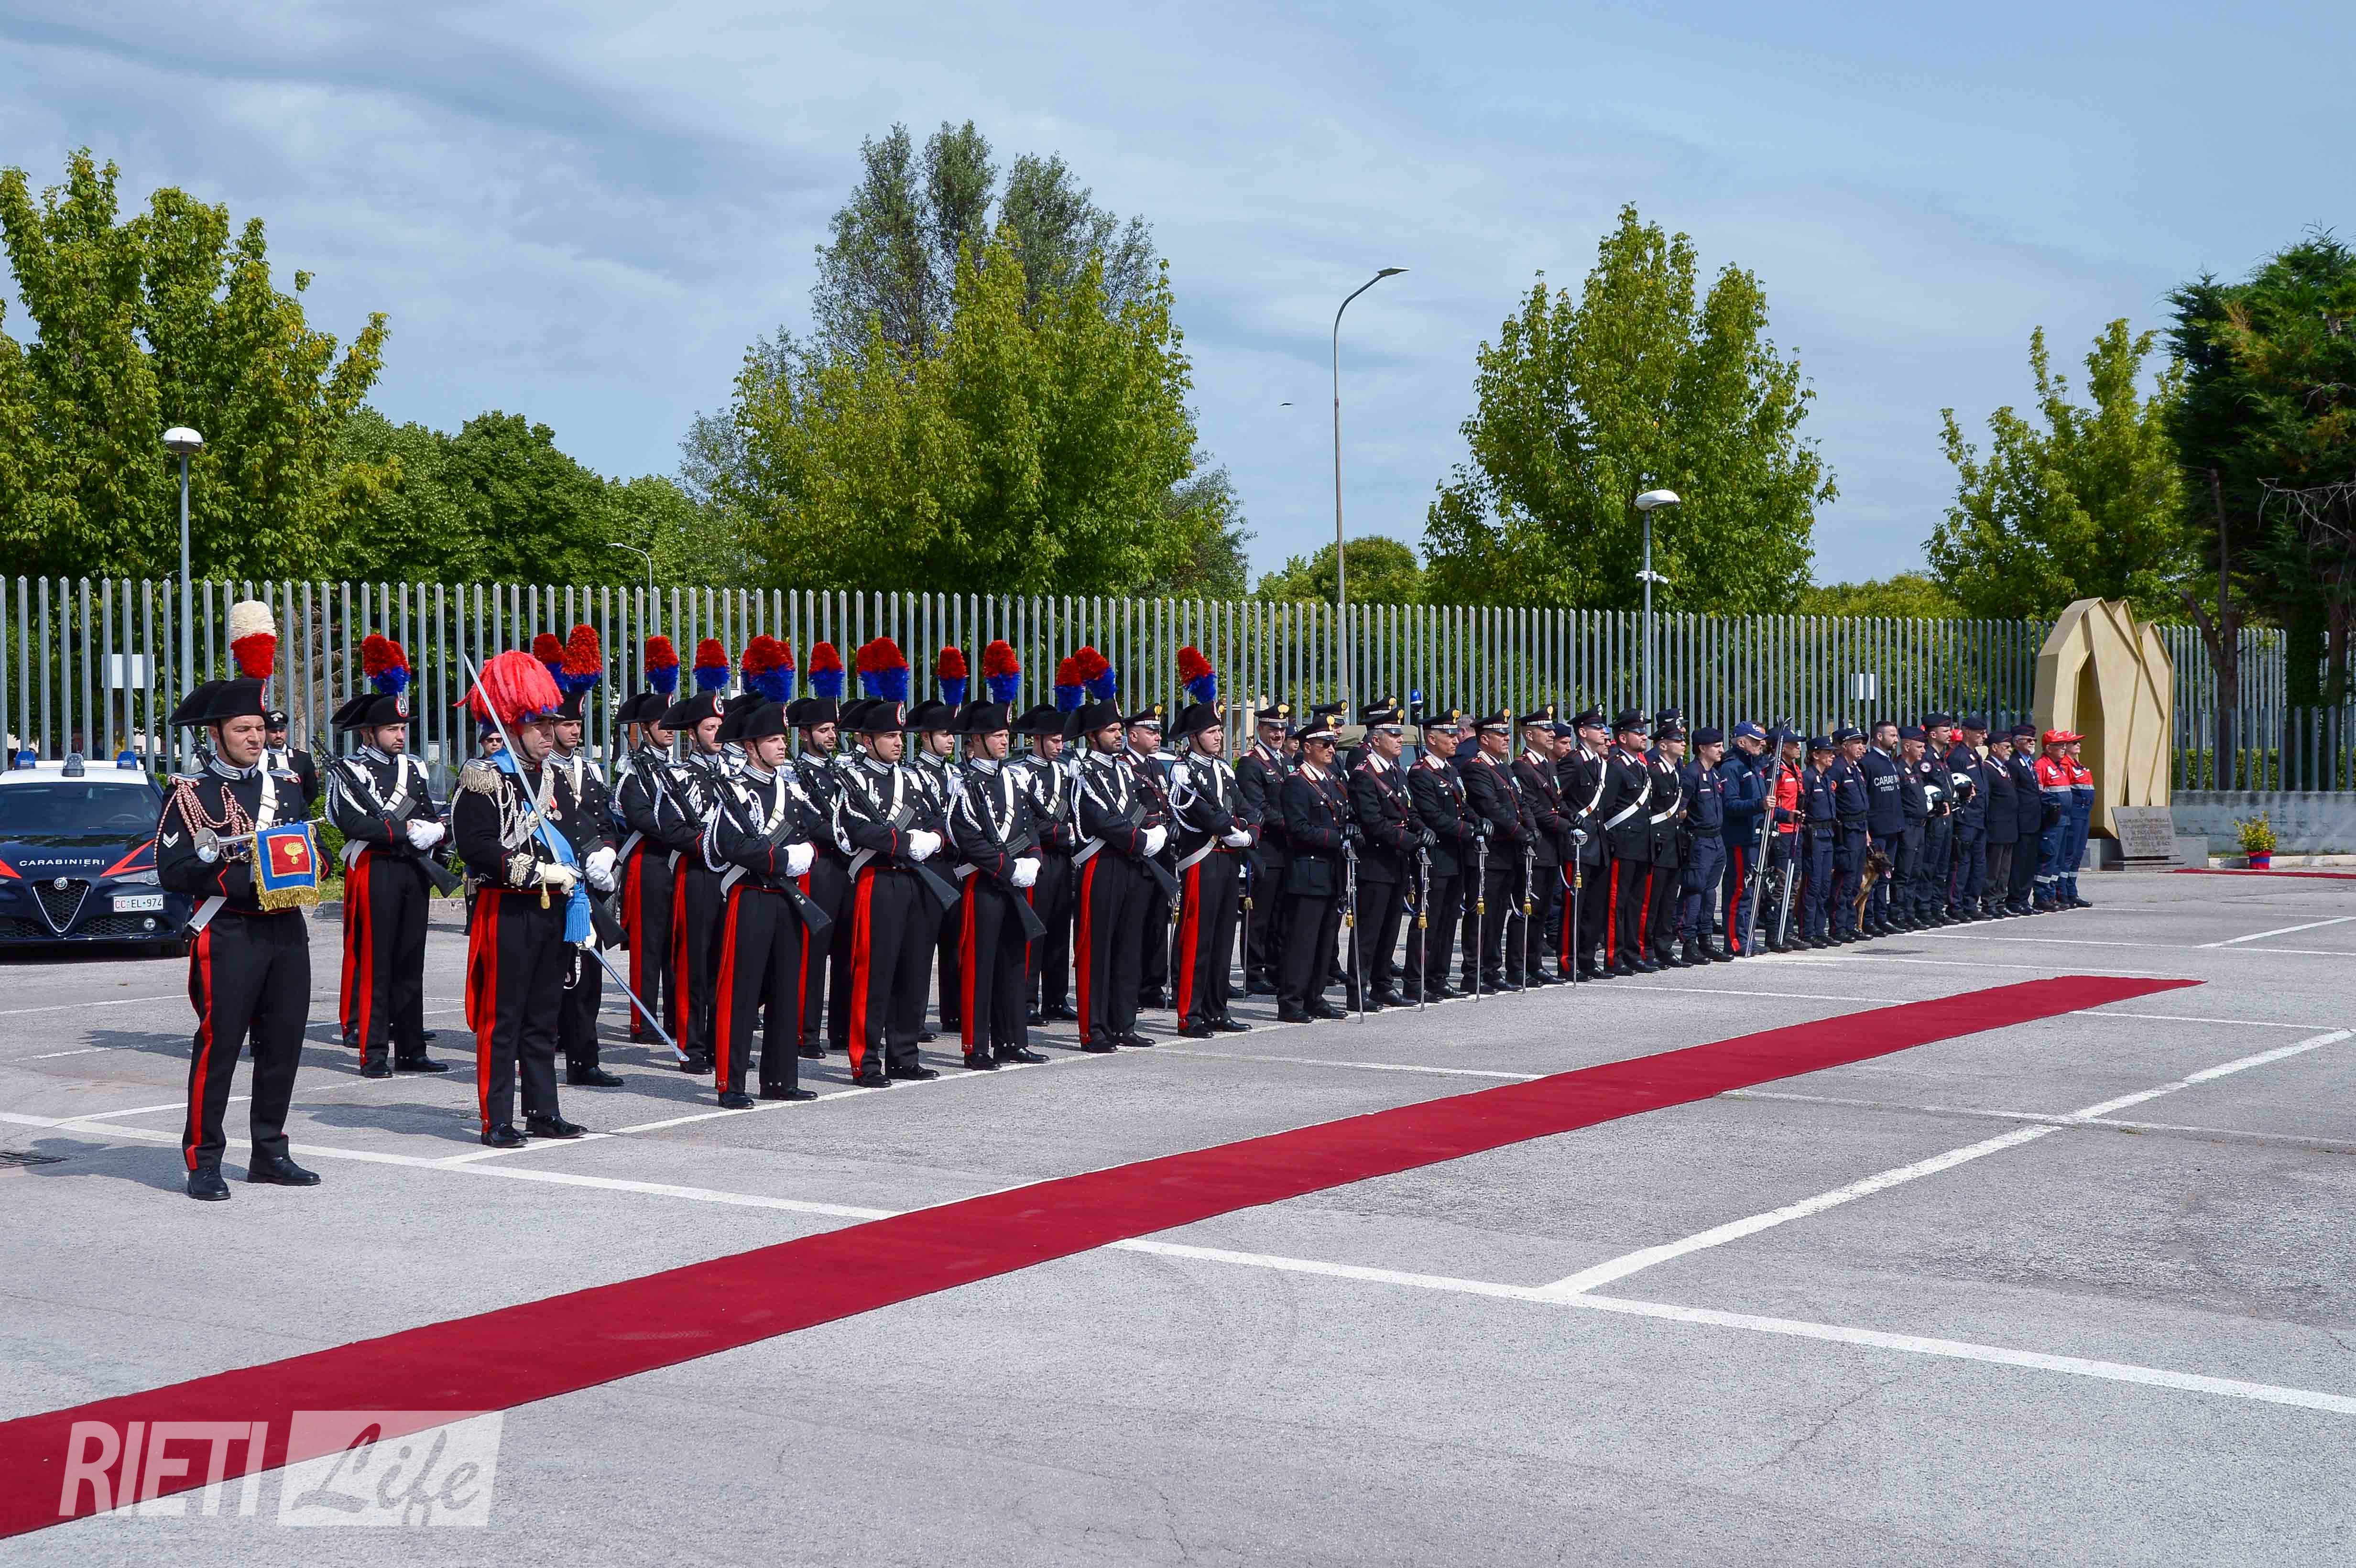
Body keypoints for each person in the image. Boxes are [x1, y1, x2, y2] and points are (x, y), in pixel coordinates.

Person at [156, 669, 319, 1201]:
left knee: (283, 1045)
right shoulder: (192, 793)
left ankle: (269, 1152)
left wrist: (304, 870)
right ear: (216, 734)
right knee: (219, 1046)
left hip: (286, 928)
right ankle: (204, 1160)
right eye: (243, 729)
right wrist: (248, 880)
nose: (255, 738)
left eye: (259, 728)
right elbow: (173, 868)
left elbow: (307, 848)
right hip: (229, 930)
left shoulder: (286, 787)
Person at [451, 650, 598, 1148]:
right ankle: (496, 1118)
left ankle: (543, 1111)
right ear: (512, 724)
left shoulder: (550, 776)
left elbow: (569, 834)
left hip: (553, 908)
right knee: (503, 1018)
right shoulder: (484, 775)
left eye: (550, 723)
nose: (547, 732)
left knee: (543, 1016)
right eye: (537, 724)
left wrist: (578, 891)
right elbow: (475, 846)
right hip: (507, 908)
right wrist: (535, 871)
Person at [323, 636, 448, 1079]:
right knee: (376, 964)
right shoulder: (350, 770)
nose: (400, 735)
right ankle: (374, 1052)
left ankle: (412, 1049)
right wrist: (405, 831)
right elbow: (349, 822)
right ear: (368, 733)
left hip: (413, 869)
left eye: (402, 728)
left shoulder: (414, 767)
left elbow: (430, 811)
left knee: (411, 960)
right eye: (392, 729)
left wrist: (436, 831)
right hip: (376, 869)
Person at [703, 697, 824, 1106]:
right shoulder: (735, 791)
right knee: (741, 993)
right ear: (751, 746)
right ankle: (731, 1083)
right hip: (750, 897)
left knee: (787, 991)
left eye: (782, 739)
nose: (782, 746)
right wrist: (784, 858)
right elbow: (730, 845)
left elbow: (814, 832)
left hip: (787, 899)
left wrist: (807, 853)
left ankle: (780, 1079)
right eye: (773, 740)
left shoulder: (791, 790)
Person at [832, 696, 949, 1085]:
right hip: (879, 880)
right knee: (874, 973)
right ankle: (865, 1061)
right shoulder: (854, 779)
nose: (898, 743)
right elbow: (856, 827)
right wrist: (905, 842)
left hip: (916, 879)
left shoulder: (913, 779)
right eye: (889, 736)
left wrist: (933, 839)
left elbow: (939, 817)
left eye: (900, 736)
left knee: (914, 970)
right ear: (867, 741)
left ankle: (904, 1056)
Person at [944, 698, 1049, 1068]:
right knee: (980, 964)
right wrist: (1008, 869)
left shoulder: (1014, 779)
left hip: (1016, 880)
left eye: (1006, 735)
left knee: (1013, 963)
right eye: (997, 735)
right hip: (984, 884)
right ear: (977, 739)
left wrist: (1034, 859)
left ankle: (1013, 1041)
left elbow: (1030, 826)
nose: (1005, 741)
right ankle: (976, 1046)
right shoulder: (962, 784)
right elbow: (966, 836)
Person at [548, 647, 624, 1089]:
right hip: (553, 883)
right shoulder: (537, 771)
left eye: (577, 723)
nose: (574, 730)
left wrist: (608, 853)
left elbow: (606, 822)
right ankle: (539, 1059)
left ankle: (584, 1060)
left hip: (588, 886)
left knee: (588, 977)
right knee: (551, 978)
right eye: (566, 723)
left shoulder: (589, 770)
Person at [1071, 697, 1166, 1048]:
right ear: (1092, 735)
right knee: (1097, 949)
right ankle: (1093, 1028)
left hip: (1131, 864)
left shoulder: (1125, 771)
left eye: (1118, 730)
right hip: (1102, 863)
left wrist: (1154, 831)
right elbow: (1100, 819)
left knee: (1129, 947)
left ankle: (1124, 1023)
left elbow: (1139, 809)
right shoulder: (1083, 771)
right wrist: (1142, 840)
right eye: (1111, 730)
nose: (1118, 736)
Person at [1167, 692, 1254, 1037]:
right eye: (1212, 732)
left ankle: (1218, 1009)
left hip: (1229, 860)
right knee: (1197, 939)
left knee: (1222, 938)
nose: (1219, 737)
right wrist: (1232, 830)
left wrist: (1249, 833)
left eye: (1219, 731)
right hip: (1202, 860)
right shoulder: (1182, 770)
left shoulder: (1223, 768)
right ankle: (1190, 1014)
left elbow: (1247, 808)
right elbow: (1202, 814)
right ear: (1194, 737)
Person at [656, 684, 731, 1073]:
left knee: (726, 962)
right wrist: (712, 844)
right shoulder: (679, 776)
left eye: (720, 726)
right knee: (694, 962)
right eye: (709, 728)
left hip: (733, 875)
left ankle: (722, 1042)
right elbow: (671, 828)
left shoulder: (736, 773)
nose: (717, 734)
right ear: (692, 733)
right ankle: (692, 1045)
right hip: (698, 872)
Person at [611, 675, 684, 1049]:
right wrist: (684, 833)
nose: (669, 730)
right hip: (649, 863)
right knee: (648, 945)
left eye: (671, 723)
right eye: (660, 723)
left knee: (676, 944)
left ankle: (675, 1018)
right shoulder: (632, 772)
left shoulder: (678, 768)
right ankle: (643, 1020)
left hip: (677, 863)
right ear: (644, 729)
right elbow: (642, 818)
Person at [1276, 710, 1351, 1021]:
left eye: (1333, 744)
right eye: (1324, 744)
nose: (1331, 749)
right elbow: (1299, 829)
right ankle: (1291, 1001)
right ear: (1307, 747)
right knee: (1302, 941)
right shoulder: (1297, 783)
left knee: (1325, 940)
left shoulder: (1332, 781)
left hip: (1332, 872)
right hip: (1308, 871)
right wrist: (1337, 837)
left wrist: (1351, 830)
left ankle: (1315, 996)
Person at [1344, 700, 1417, 1009]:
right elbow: (1372, 822)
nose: (1400, 740)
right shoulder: (1365, 774)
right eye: (1393, 735)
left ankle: (1382, 983)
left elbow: (1408, 811)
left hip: (1397, 861)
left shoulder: (1397, 772)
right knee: (1369, 930)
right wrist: (1409, 839)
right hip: (1375, 861)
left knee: (1390, 928)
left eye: (1400, 735)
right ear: (1376, 740)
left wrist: (1420, 831)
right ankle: (1357, 988)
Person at [788, 690, 848, 1056]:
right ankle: (805, 1033)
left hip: (846, 866)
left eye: (833, 730)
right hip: (820, 866)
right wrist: (846, 833)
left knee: (847, 951)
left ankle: (841, 1029)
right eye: (824, 730)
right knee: (813, 954)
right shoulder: (796, 774)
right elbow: (808, 822)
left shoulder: (841, 770)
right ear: (805, 734)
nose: (831, 736)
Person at [1011, 704, 1078, 1025]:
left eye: (1061, 740)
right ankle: (1026, 999)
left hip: (1063, 858)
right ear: (1036, 740)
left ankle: (1056, 997)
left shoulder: (1064, 772)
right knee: (1034, 930)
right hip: (1038, 857)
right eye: (1053, 740)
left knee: (1059, 928)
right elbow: (1026, 822)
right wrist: (1062, 832)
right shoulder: (1022, 774)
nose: (1059, 745)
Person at [1458, 709, 1532, 990]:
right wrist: (1521, 832)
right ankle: (1474, 972)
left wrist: (1531, 827)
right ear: (1484, 739)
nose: (1506, 738)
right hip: (1490, 852)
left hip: (1508, 852)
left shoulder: (1504, 767)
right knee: (1482, 914)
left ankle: (1492, 968)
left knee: (1499, 913)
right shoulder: (1476, 768)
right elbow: (1492, 808)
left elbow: (1520, 802)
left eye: (1506, 734)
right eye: (1500, 734)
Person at [1405, 709, 1474, 1001]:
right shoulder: (1421, 773)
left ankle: (1438, 976)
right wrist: (1467, 829)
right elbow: (1432, 815)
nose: (1456, 739)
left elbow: (1463, 806)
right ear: (1432, 739)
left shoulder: (1451, 771)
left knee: (1448, 920)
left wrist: (1477, 821)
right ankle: (1416, 979)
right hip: (1436, 856)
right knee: (1428, 921)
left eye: (1456, 734)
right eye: (1448, 735)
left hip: (1455, 855)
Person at [1233, 699, 1294, 997]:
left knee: (1281, 913)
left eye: (1282, 729)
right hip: (1266, 847)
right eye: (1272, 729)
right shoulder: (1251, 763)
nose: (1278, 734)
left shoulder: (1286, 761)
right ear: (1260, 729)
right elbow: (1258, 808)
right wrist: (1295, 824)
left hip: (1287, 848)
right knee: (1259, 914)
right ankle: (1254, 971)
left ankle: (1275, 967)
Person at [1510, 706, 1570, 986]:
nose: (1551, 734)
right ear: (1529, 735)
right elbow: (1533, 808)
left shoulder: (1548, 765)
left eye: (1551, 730)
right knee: (1527, 910)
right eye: (1545, 730)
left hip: (1551, 847)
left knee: (1542, 910)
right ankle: (1518, 966)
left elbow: (1557, 800)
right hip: (1536, 845)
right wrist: (1563, 824)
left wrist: (1570, 816)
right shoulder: (1522, 767)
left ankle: (1534, 964)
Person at [1125, 705, 1179, 1011]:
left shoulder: (1156, 766)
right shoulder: (1125, 766)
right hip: (1140, 855)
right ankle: (1131, 987)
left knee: (1159, 922)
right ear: (1133, 736)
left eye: (1158, 732)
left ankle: (1152, 985)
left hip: (1162, 855)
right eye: (1151, 732)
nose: (1158, 737)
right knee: (1136, 925)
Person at [1595, 710, 1654, 976]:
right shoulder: (1616, 766)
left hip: (1641, 843)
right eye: (1638, 732)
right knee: (1616, 904)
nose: (1644, 736)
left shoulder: (1640, 766)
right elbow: (1607, 808)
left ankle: (1632, 952)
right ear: (1622, 737)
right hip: (1623, 843)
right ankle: (1613, 955)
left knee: (1635, 903)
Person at [1677, 727, 1730, 964]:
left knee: (1710, 893)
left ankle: (1705, 939)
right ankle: (1688, 941)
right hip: (1699, 840)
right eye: (1716, 746)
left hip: (1716, 839)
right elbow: (1680, 809)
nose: (1721, 750)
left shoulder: (1714, 774)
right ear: (1702, 748)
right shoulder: (1691, 774)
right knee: (1695, 891)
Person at [1717, 721, 1768, 957]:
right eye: (1755, 741)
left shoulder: (1754, 766)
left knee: (1750, 891)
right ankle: (1735, 941)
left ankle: (1747, 937)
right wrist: (1759, 805)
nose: (1761, 745)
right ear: (1742, 742)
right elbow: (1730, 805)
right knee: (1739, 890)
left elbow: (1762, 804)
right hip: (1739, 838)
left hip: (1754, 837)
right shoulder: (1732, 768)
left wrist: (1785, 814)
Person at [1643, 715, 1689, 967]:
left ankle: (1664, 946)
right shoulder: (1654, 771)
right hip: (1658, 844)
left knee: (1669, 900)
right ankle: (1648, 948)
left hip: (1673, 843)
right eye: (1677, 740)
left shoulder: (1674, 773)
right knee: (1654, 900)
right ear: (1663, 745)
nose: (1683, 743)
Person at [1857, 720, 1905, 936]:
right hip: (1877, 829)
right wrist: (1866, 829)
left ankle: (1881, 917)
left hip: (1893, 827)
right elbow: (1865, 798)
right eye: (1892, 735)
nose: (1896, 740)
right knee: (1873, 878)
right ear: (1879, 736)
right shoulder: (1868, 762)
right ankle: (1868, 920)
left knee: (1886, 876)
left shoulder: (1890, 760)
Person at [1944, 715, 1989, 921]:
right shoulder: (1958, 757)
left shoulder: (1974, 755)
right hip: (1966, 817)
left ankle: (1971, 904)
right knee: (1961, 864)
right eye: (1980, 733)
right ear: (1967, 732)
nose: (1984, 737)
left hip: (1979, 817)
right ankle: (1956, 905)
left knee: (1978, 864)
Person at [1830, 727, 1871, 941]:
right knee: (1845, 880)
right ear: (1845, 746)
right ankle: (1838, 926)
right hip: (1846, 830)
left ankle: (1850, 924)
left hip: (1860, 829)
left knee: (1855, 881)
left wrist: (1866, 831)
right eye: (1857, 743)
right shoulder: (1837, 769)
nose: (1862, 747)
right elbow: (1832, 801)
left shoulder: (1855, 768)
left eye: (1862, 743)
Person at [1799, 736, 1840, 947]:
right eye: (1828, 753)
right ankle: (1808, 931)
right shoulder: (1807, 778)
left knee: (1825, 886)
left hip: (1827, 834)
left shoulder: (1826, 778)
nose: (1832, 756)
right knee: (1813, 885)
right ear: (1815, 755)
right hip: (1814, 835)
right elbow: (1802, 806)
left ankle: (1819, 929)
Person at [1893, 725, 1931, 933]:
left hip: (1920, 827)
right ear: (1907, 746)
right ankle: (1897, 913)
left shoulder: (1915, 770)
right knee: (1904, 873)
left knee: (1915, 871)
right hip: (1907, 826)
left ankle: (1909, 912)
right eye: (1919, 747)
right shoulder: (1898, 769)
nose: (1923, 751)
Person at [2034, 728, 2074, 911]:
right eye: (2060, 745)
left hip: (2064, 820)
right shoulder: (2042, 766)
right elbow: (2039, 794)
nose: (2064, 748)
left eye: (2065, 745)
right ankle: (2041, 897)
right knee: (2048, 858)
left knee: (2058, 860)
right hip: (2052, 821)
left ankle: (2051, 895)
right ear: (2049, 748)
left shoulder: (2059, 767)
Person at [1980, 728, 2018, 918]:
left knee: (2004, 868)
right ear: (1994, 748)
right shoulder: (1988, 769)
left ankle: (2001, 899)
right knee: (1993, 868)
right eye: (2006, 747)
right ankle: (1990, 902)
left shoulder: (2003, 768)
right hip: (1996, 826)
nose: (2009, 750)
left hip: (2009, 826)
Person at [2005, 722, 2042, 914]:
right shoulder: (2013, 763)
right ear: (2017, 742)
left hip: (2034, 820)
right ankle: (2015, 899)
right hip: (2022, 820)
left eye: (2034, 740)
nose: (2032, 743)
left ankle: (2024, 899)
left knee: (2029, 862)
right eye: (2028, 740)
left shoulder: (2029, 763)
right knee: (2019, 863)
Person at [262, 708, 319, 813]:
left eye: (282, 731)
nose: (278, 735)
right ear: (265, 732)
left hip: (295, 815)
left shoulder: (302, 758)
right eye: (273, 732)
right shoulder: (259, 757)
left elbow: (312, 791)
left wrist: (297, 809)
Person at [2063, 736, 2095, 907]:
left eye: (2079, 743)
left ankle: (2072, 891)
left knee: (2078, 854)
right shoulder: (2065, 765)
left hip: (2085, 812)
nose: (2078, 745)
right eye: (2074, 743)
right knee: (2070, 853)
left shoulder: (2079, 765)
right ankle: (2063, 892)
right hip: (2074, 812)